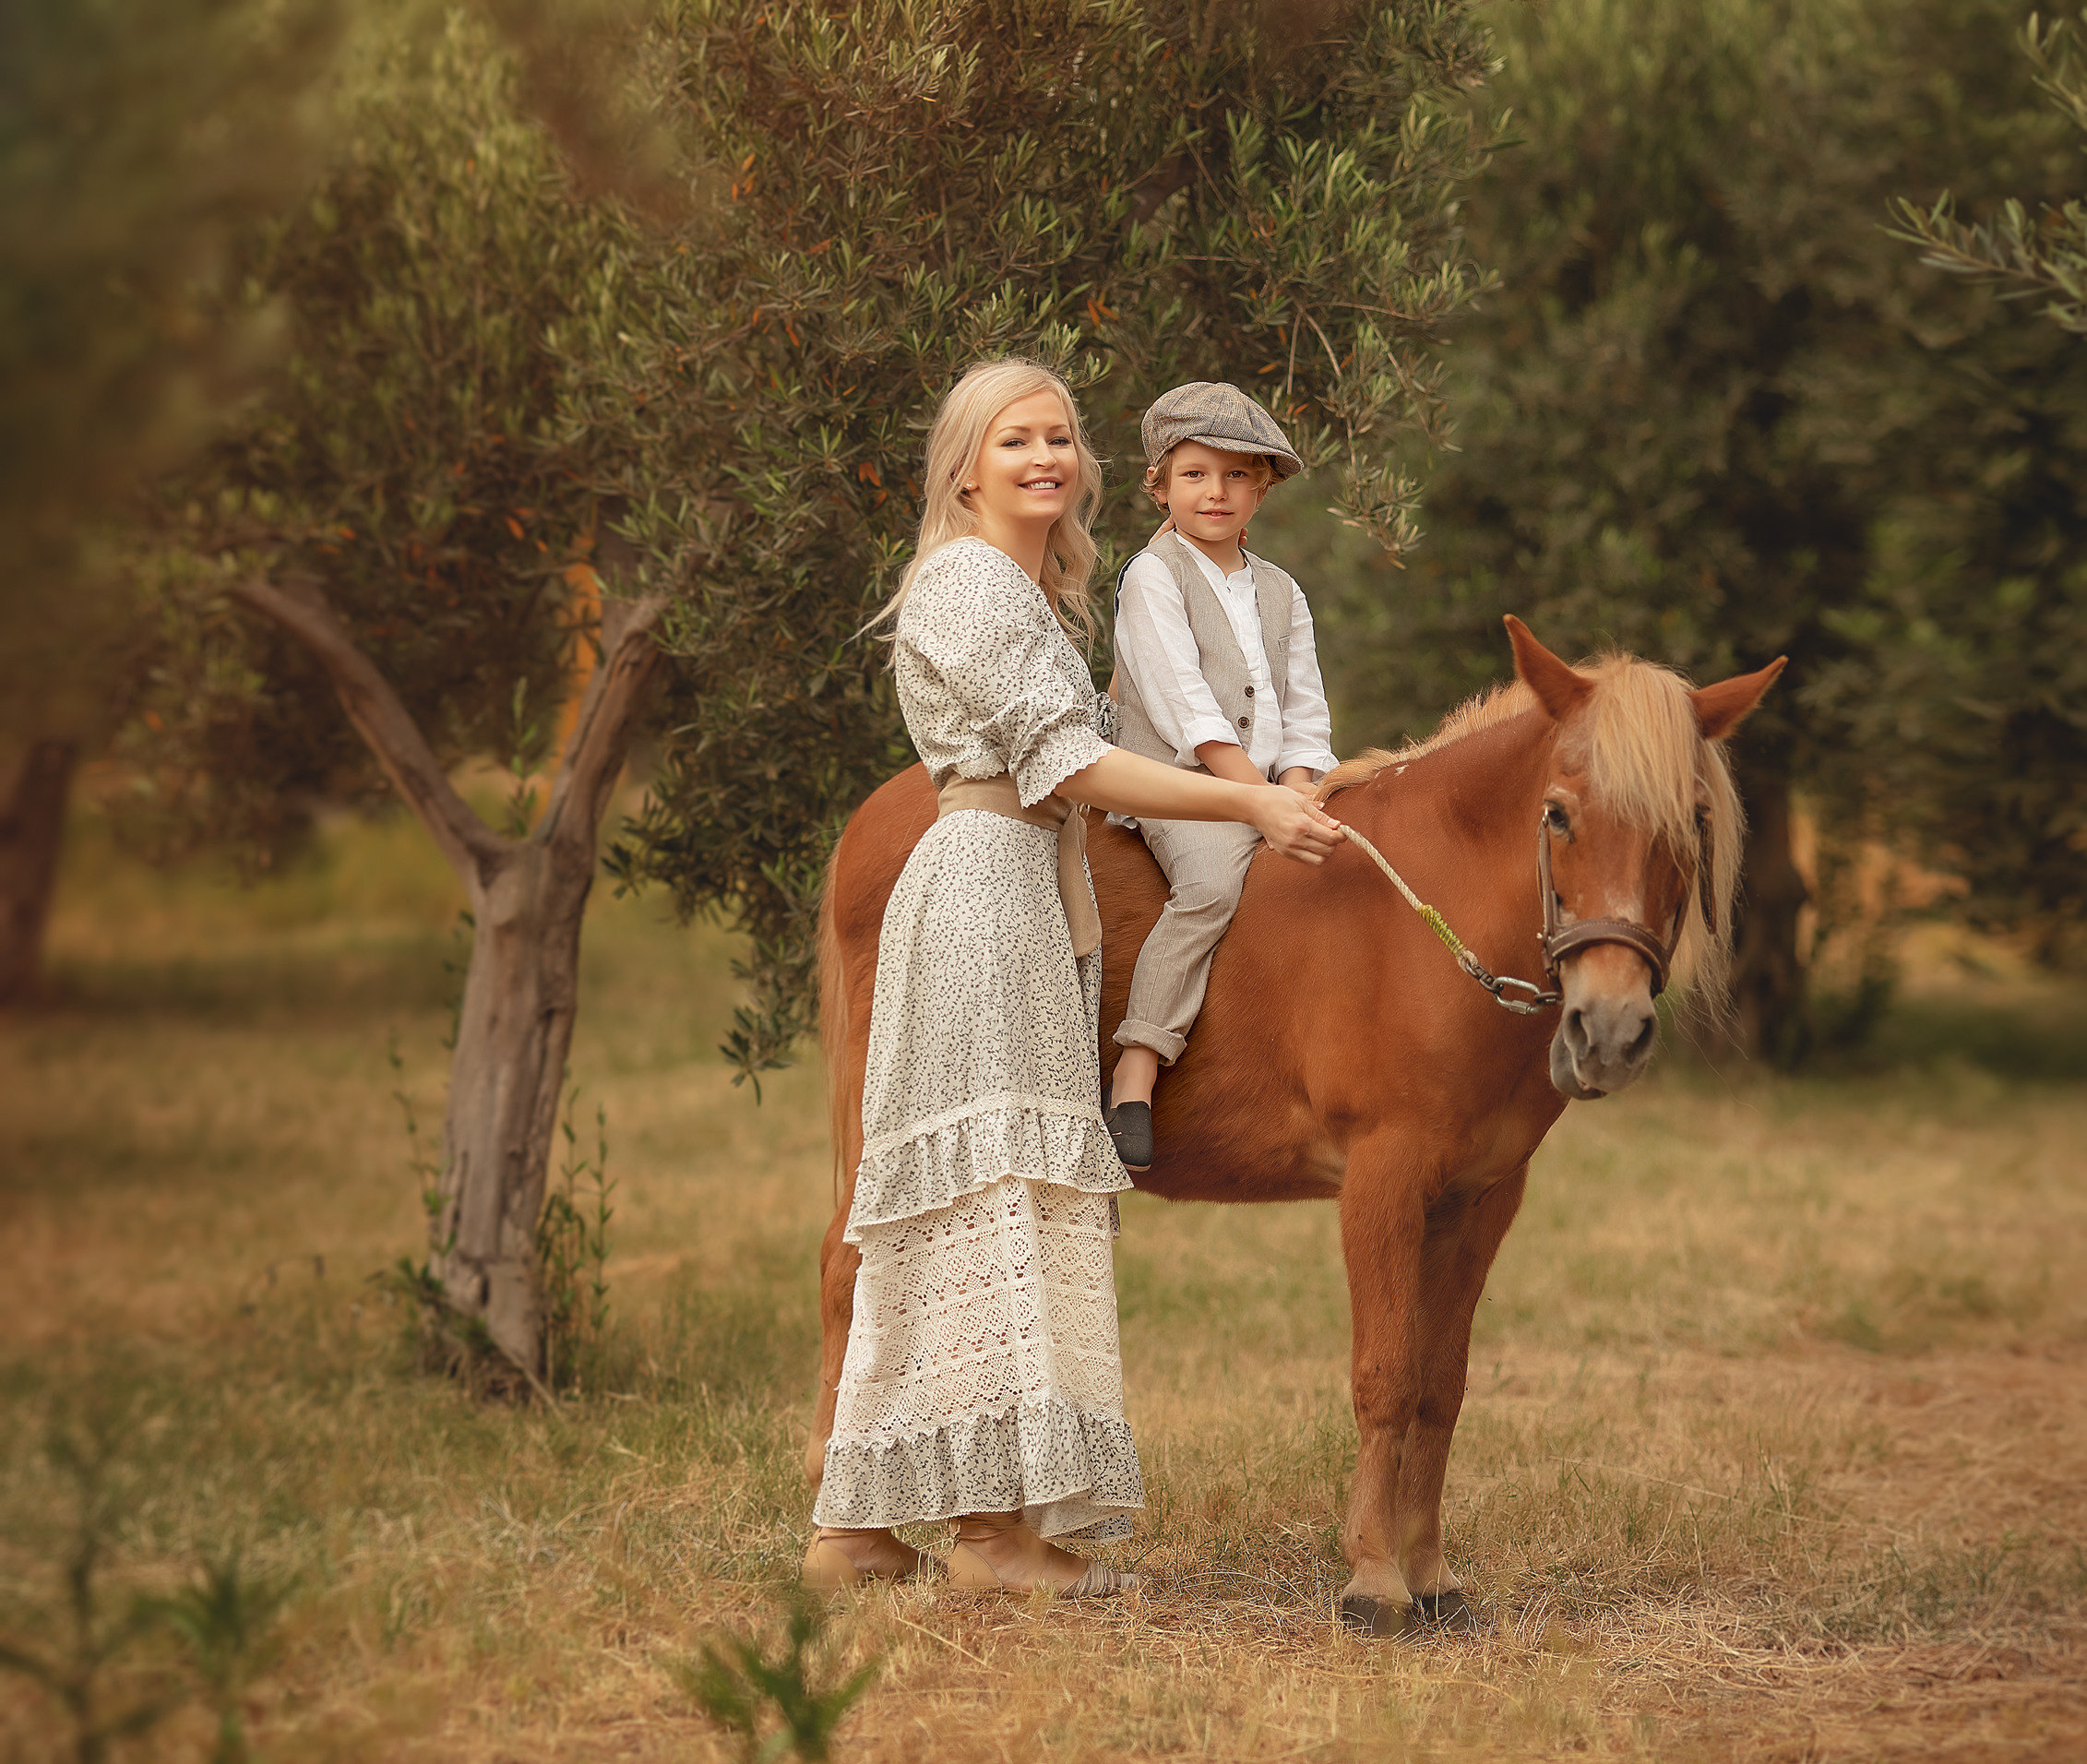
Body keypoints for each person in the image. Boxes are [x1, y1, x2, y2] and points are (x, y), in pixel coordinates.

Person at [804, 360, 1342, 1597]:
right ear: (963, 468)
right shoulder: (965, 586)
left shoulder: (1023, 593)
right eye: (1013, 440)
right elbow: (1074, 766)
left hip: (1023, 899)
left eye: (1057, 438)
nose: (1043, 456)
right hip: (987, 893)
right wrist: (1248, 797)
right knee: (989, 1196)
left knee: (979, 1205)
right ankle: (986, 1543)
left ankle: (863, 1536)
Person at [1102, 383, 1341, 1171]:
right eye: (1197, 474)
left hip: (1271, 783)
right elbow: (1188, 709)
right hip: (1180, 782)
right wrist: (1257, 797)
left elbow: (1304, 703)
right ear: (1160, 484)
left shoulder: (1282, 590)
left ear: (1263, 489)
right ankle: (1138, 1067)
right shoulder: (1152, 576)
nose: (1217, 492)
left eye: (1238, 476)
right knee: (1210, 886)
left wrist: (1301, 783)